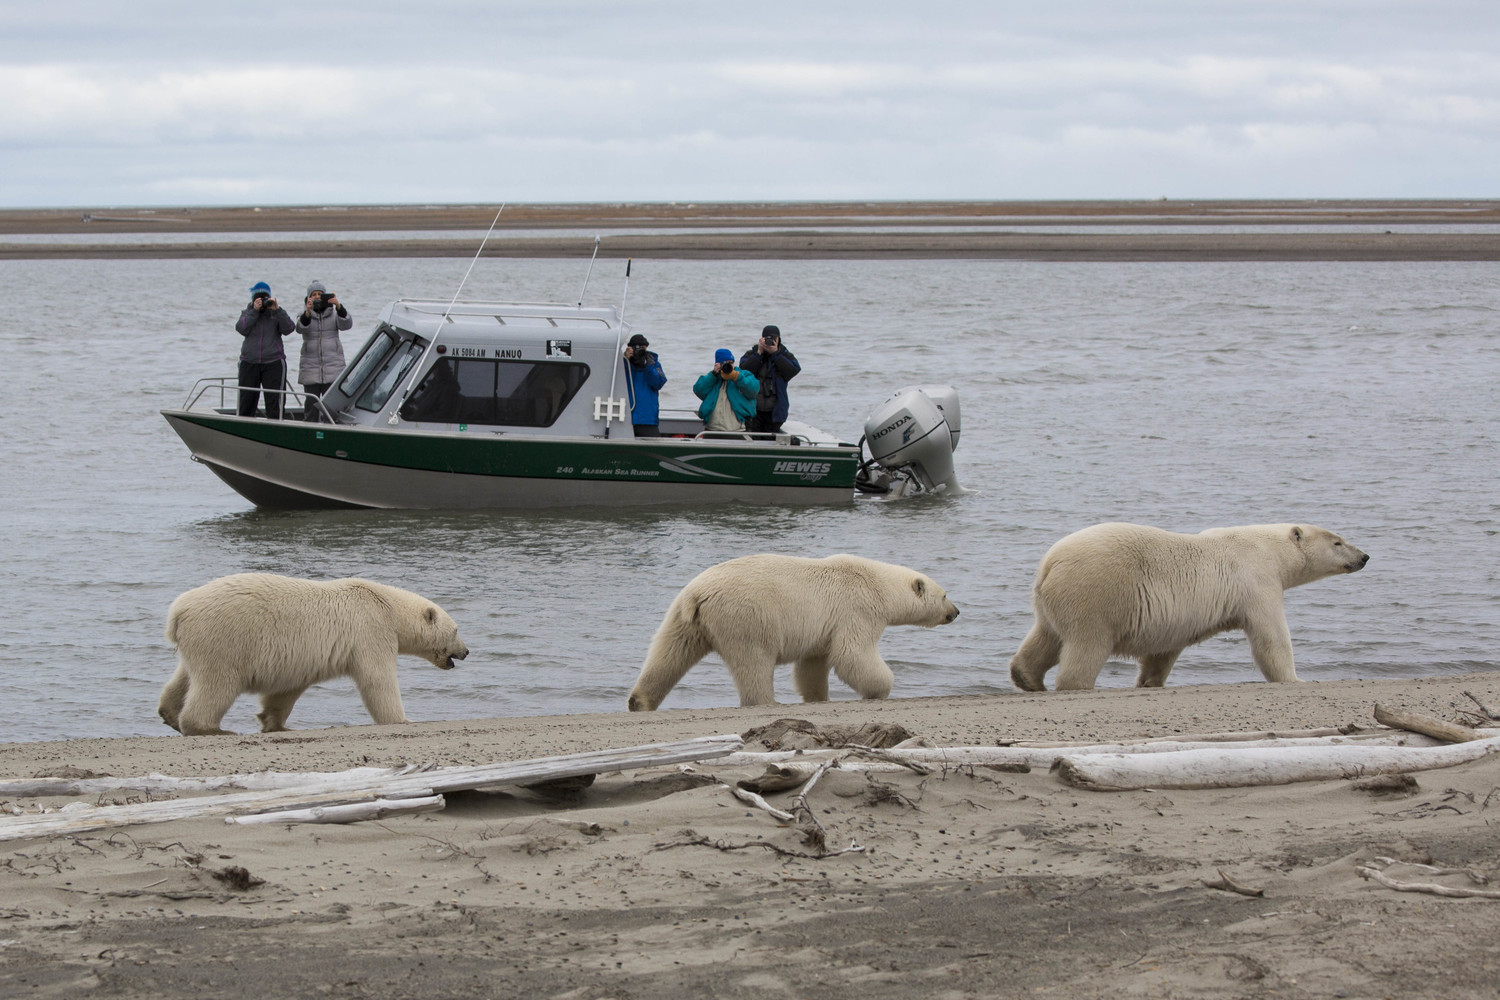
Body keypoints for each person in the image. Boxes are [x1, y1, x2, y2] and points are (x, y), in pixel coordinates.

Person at [235, 281, 295, 419]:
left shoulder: (276, 313)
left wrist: (278, 310)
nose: (262, 301)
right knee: (246, 403)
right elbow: (240, 328)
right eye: (258, 298)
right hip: (249, 362)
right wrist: (254, 311)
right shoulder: (248, 313)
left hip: (273, 362)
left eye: (264, 298)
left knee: (275, 405)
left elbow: (289, 329)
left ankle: (276, 430)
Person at [295, 280, 353, 421]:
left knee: (331, 407)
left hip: (333, 367)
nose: (317, 297)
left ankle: (331, 433)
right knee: (311, 406)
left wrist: (338, 306)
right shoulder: (303, 313)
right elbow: (300, 328)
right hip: (311, 367)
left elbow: (347, 324)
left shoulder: (334, 312)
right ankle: (309, 432)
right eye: (313, 294)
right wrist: (308, 312)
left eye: (320, 294)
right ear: (308, 298)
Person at [738, 324, 801, 434]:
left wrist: (776, 354)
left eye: (773, 339)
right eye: (767, 338)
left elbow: (794, 370)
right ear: (761, 339)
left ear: (778, 340)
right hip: (754, 410)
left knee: (771, 438)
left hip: (775, 411)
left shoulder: (784, 354)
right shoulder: (753, 353)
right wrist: (758, 353)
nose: (770, 342)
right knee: (754, 439)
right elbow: (743, 371)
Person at [693, 348, 760, 432]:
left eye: (730, 363)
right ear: (718, 364)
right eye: (724, 363)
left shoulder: (743, 375)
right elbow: (698, 390)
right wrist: (713, 374)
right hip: (712, 429)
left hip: (737, 430)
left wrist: (736, 377)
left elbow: (753, 390)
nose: (728, 366)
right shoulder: (713, 379)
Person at [623, 333, 667, 436]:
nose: (639, 351)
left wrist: (647, 365)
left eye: (642, 348)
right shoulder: (623, 364)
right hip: (625, 417)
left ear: (646, 348)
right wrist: (625, 360)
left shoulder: (653, 364)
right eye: (636, 348)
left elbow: (659, 383)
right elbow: (613, 379)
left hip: (647, 418)